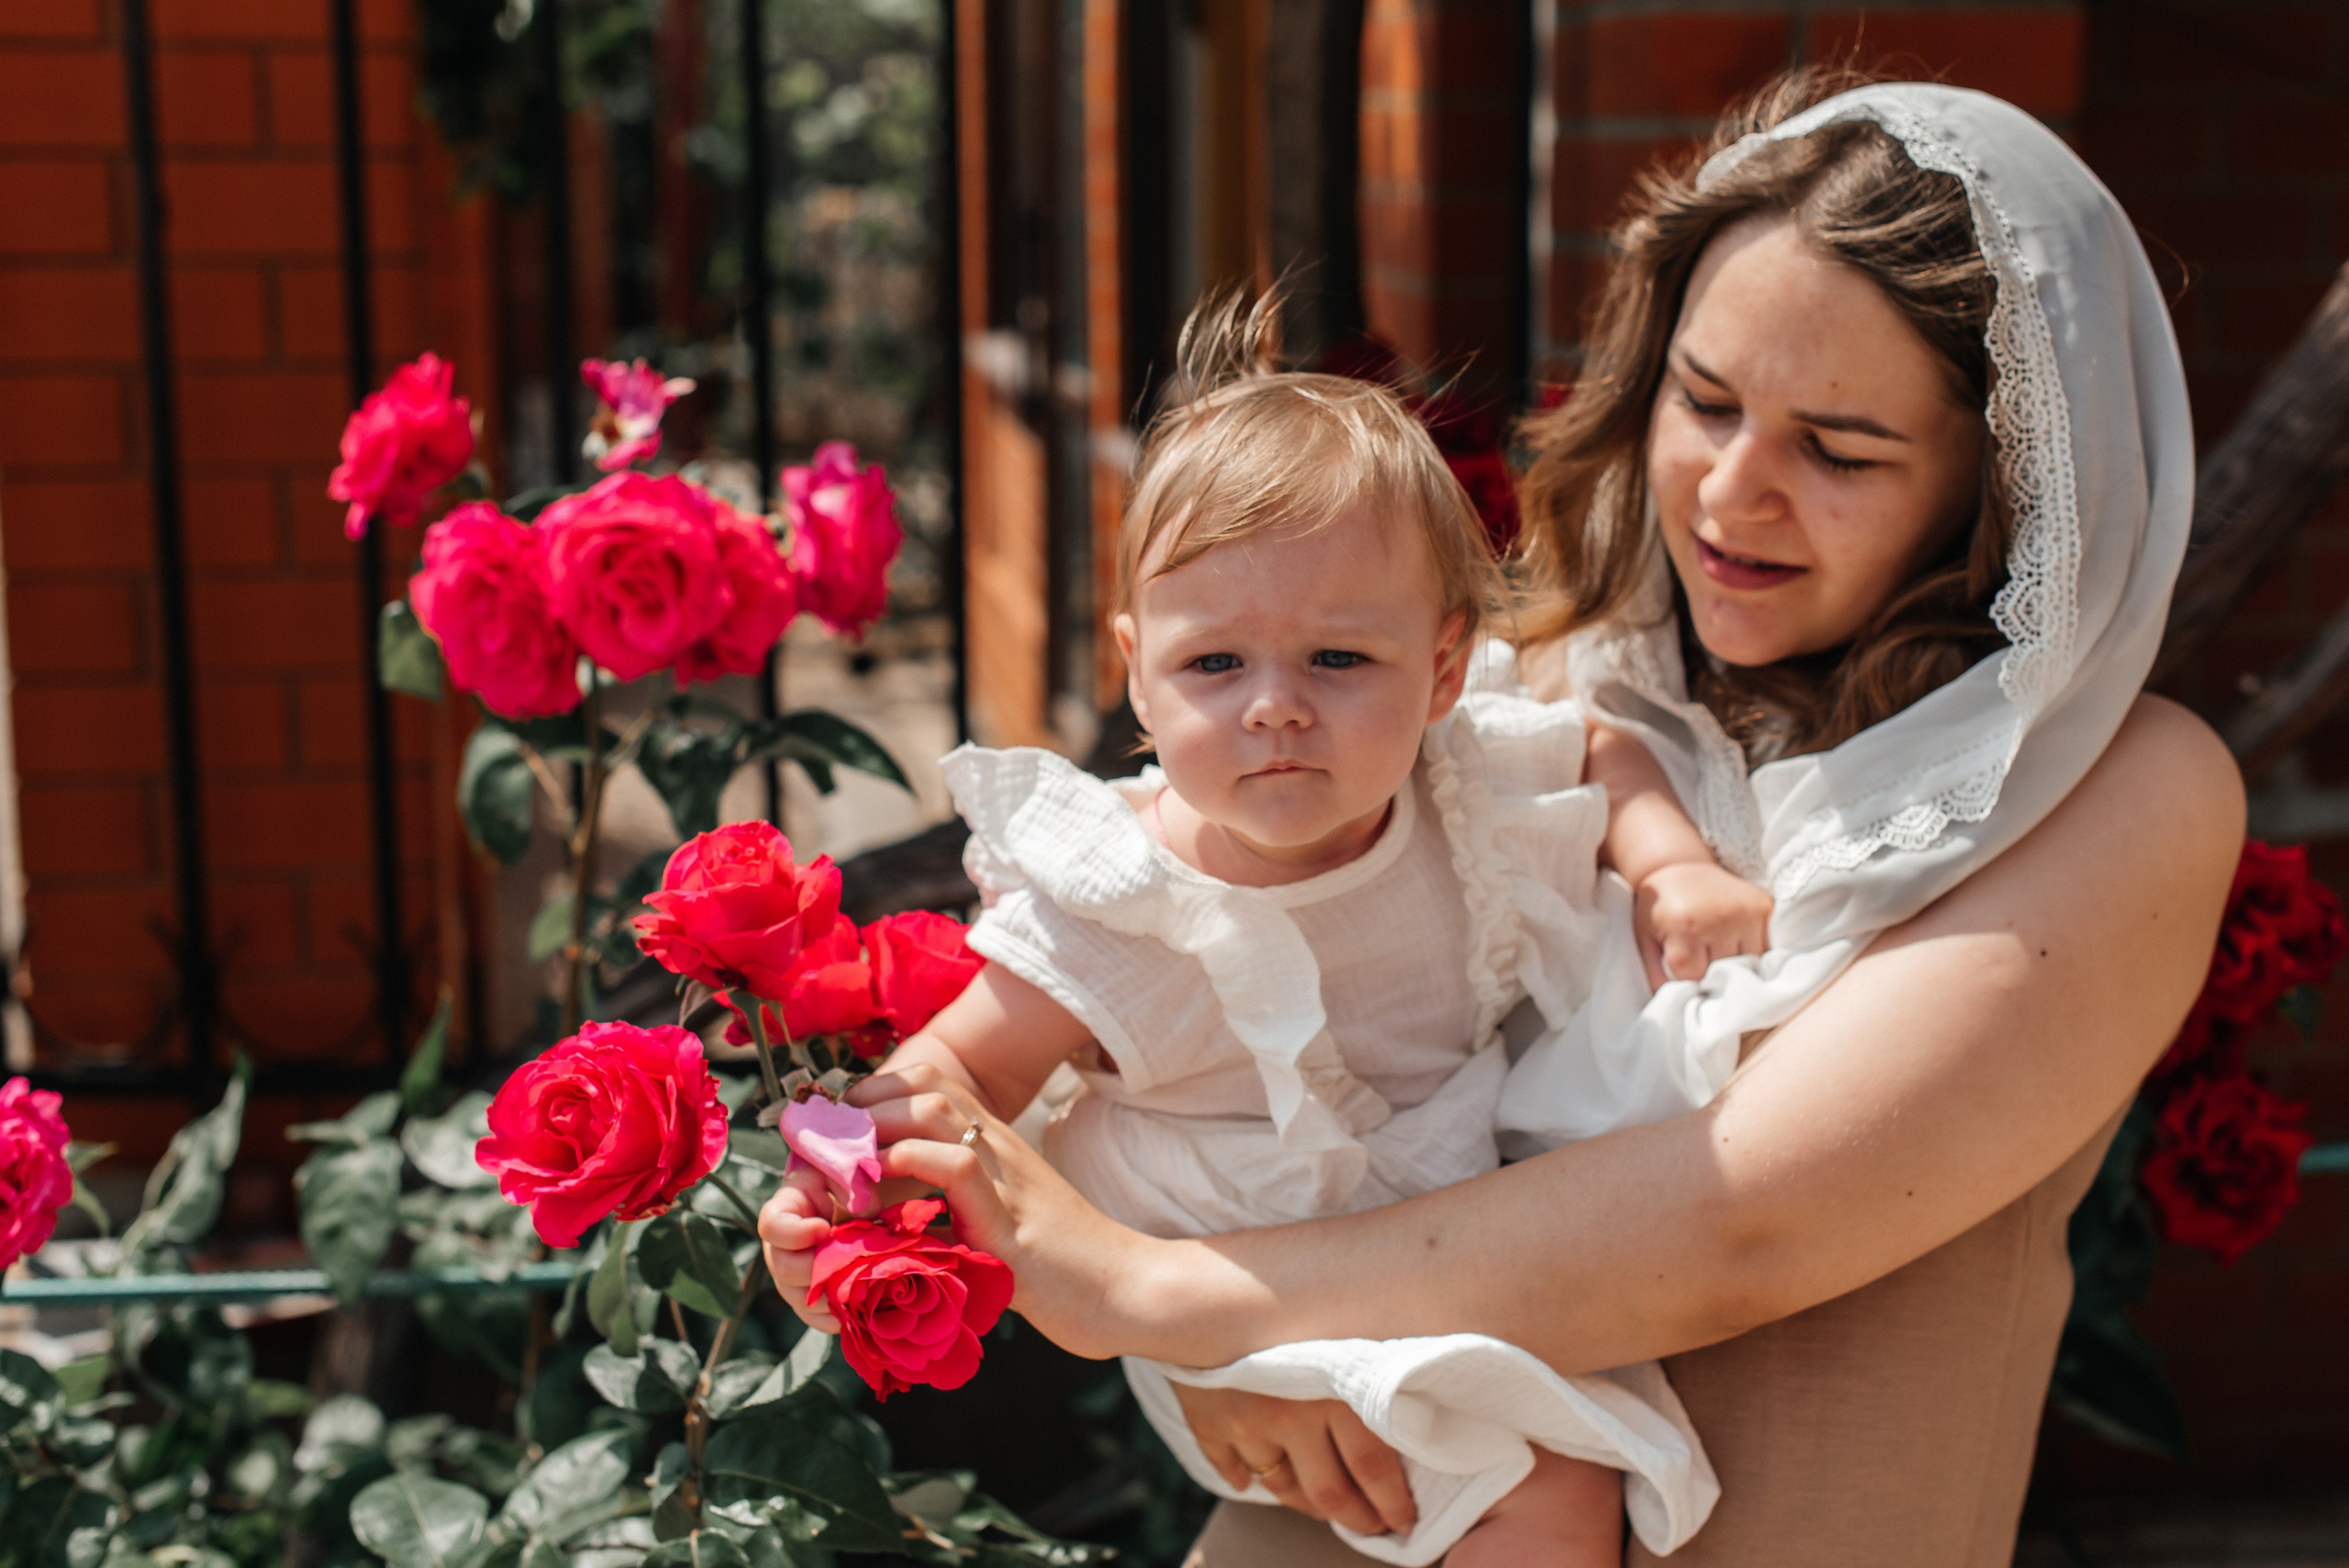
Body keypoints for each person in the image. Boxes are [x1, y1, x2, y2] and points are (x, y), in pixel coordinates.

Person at [764, 72, 2245, 1565]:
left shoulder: (2123, 792)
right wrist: (1179, 1344)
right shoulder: (1526, 680)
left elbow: (1742, 1220)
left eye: (1840, 449)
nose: (1734, 492)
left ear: (1996, 491)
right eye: (1706, 401)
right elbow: (1187, 1038)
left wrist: (1163, 1299)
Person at [778, 295, 1775, 1564]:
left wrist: (1672, 863)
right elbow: (954, 1072)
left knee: (1558, 1474)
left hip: (1429, 1241)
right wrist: (842, 1197)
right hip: (1226, 1297)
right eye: (1216, 667)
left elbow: (1597, 741)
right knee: (1560, 1485)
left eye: (1339, 661)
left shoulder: (1456, 784)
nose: (1277, 710)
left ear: (1445, 667)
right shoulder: (1127, 909)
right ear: (1138, 671)